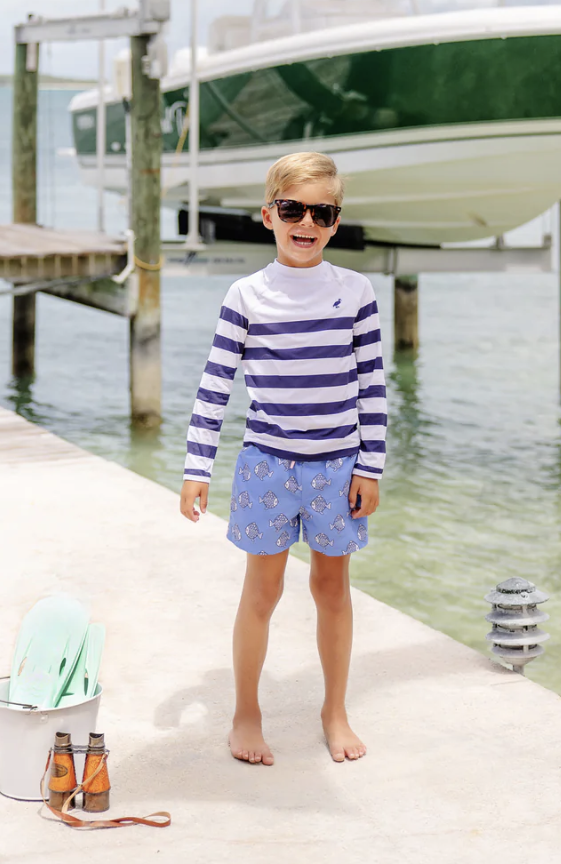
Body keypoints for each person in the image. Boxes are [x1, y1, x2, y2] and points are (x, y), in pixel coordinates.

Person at [179, 151, 386, 766]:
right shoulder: (246, 295)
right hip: (266, 464)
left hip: (338, 468)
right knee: (261, 593)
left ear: (336, 221)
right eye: (293, 209)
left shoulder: (356, 292)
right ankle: (246, 713)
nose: (307, 223)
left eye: (323, 213)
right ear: (268, 215)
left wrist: (370, 466)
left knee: (333, 589)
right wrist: (196, 468)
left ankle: (334, 711)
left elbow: (373, 387)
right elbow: (215, 387)